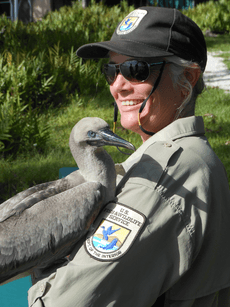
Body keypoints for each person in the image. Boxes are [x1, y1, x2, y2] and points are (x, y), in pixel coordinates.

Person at [28, 7, 230, 307]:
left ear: (187, 77)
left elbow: (66, 302)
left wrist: (39, 271)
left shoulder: (164, 177)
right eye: (111, 70)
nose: (118, 85)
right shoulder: (190, 157)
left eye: (137, 70)